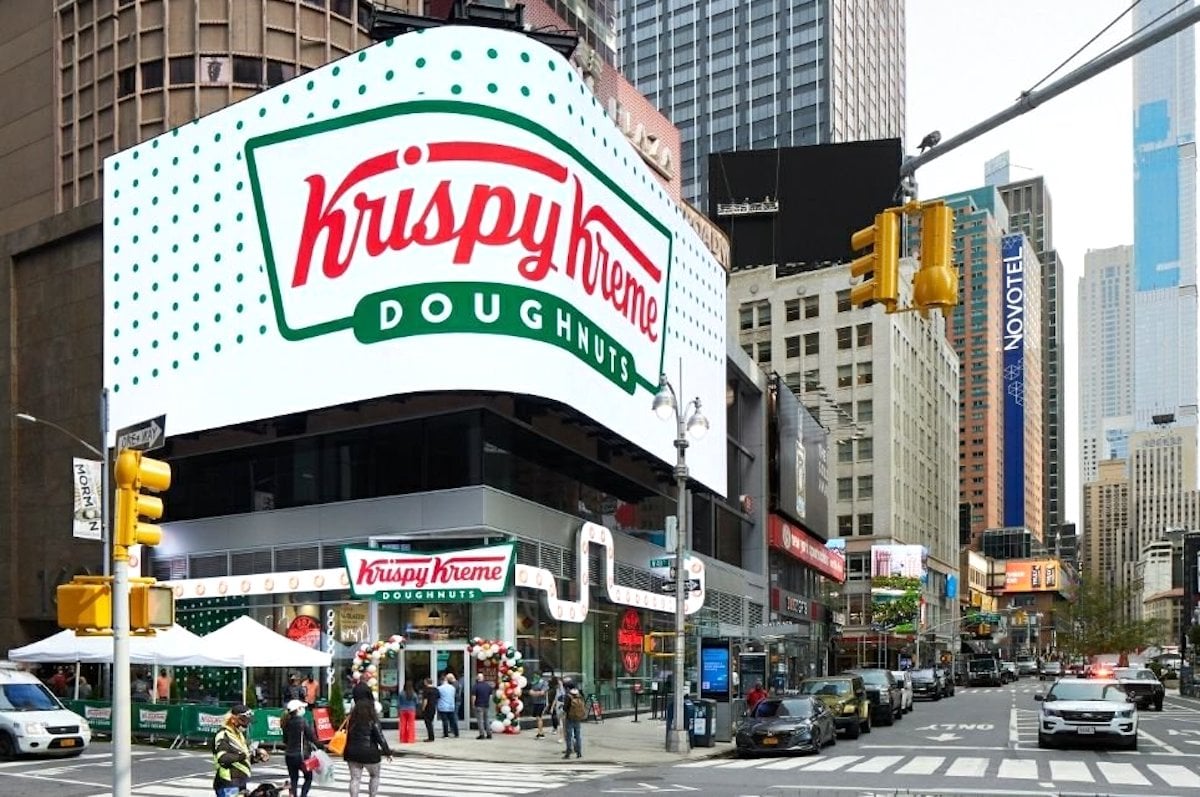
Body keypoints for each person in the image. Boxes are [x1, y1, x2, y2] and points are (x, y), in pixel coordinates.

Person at [343, 695, 393, 797]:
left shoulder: (351, 721)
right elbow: (380, 738)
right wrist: (387, 752)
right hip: (370, 752)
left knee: (355, 778)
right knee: (374, 775)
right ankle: (372, 795)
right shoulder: (373, 720)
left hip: (352, 752)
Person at [212, 704, 267, 797]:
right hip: (228, 782)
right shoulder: (223, 734)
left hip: (239, 781)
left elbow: (240, 758)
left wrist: (256, 758)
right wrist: (244, 755)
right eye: (244, 721)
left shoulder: (238, 734)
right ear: (234, 719)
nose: (246, 724)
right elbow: (223, 758)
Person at [282, 699, 321, 797]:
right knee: (308, 777)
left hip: (289, 755)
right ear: (298, 709)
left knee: (294, 779)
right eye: (302, 707)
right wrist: (321, 746)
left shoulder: (286, 723)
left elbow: (285, 740)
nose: (304, 709)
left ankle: (294, 795)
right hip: (302, 755)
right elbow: (311, 737)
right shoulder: (303, 721)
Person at [560, 681, 585, 759]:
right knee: (578, 735)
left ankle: (568, 752)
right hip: (578, 717)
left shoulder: (568, 696)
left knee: (569, 735)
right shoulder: (580, 694)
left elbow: (565, 708)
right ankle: (579, 752)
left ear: (568, 688)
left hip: (569, 718)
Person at [471, 673, 494, 740]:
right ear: (483, 678)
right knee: (486, 719)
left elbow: (473, 697)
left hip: (478, 705)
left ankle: (482, 734)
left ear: (477, 678)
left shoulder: (475, 686)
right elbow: (490, 696)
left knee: (480, 720)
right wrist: (488, 703)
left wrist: (473, 704)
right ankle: (489, 734)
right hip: (486, 705)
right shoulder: (488, 686)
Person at [527, 671, 549, 739]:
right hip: (536, 702)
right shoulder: (534, 682)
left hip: (542, 702)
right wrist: (536, 693)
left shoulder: (544, 683)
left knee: (539, 717)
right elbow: (530, 692)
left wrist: (535, 693)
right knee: (537, 717)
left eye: (536, 675)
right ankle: (540, 732)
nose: (535, 677)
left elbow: (542, 692)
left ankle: (541, 733)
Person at [436, 673, 459, 738]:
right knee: (453, 720)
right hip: (451, 706)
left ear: (441, 681)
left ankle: (446, 734)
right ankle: (456, 733)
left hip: (443, 706)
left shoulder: (439, 688)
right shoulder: (452, 688)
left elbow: (438, 697)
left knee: (445, 721)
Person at [419, 677, 439, 742]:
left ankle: (431, 737)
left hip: (428, 708)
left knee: (428, 723)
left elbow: (425, 700)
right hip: (433, 707)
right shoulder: (436, 690)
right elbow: (438, 698)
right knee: (430, 722)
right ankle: (431, 736)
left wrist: (423, 708)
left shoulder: (426, 690)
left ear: (426, 682)